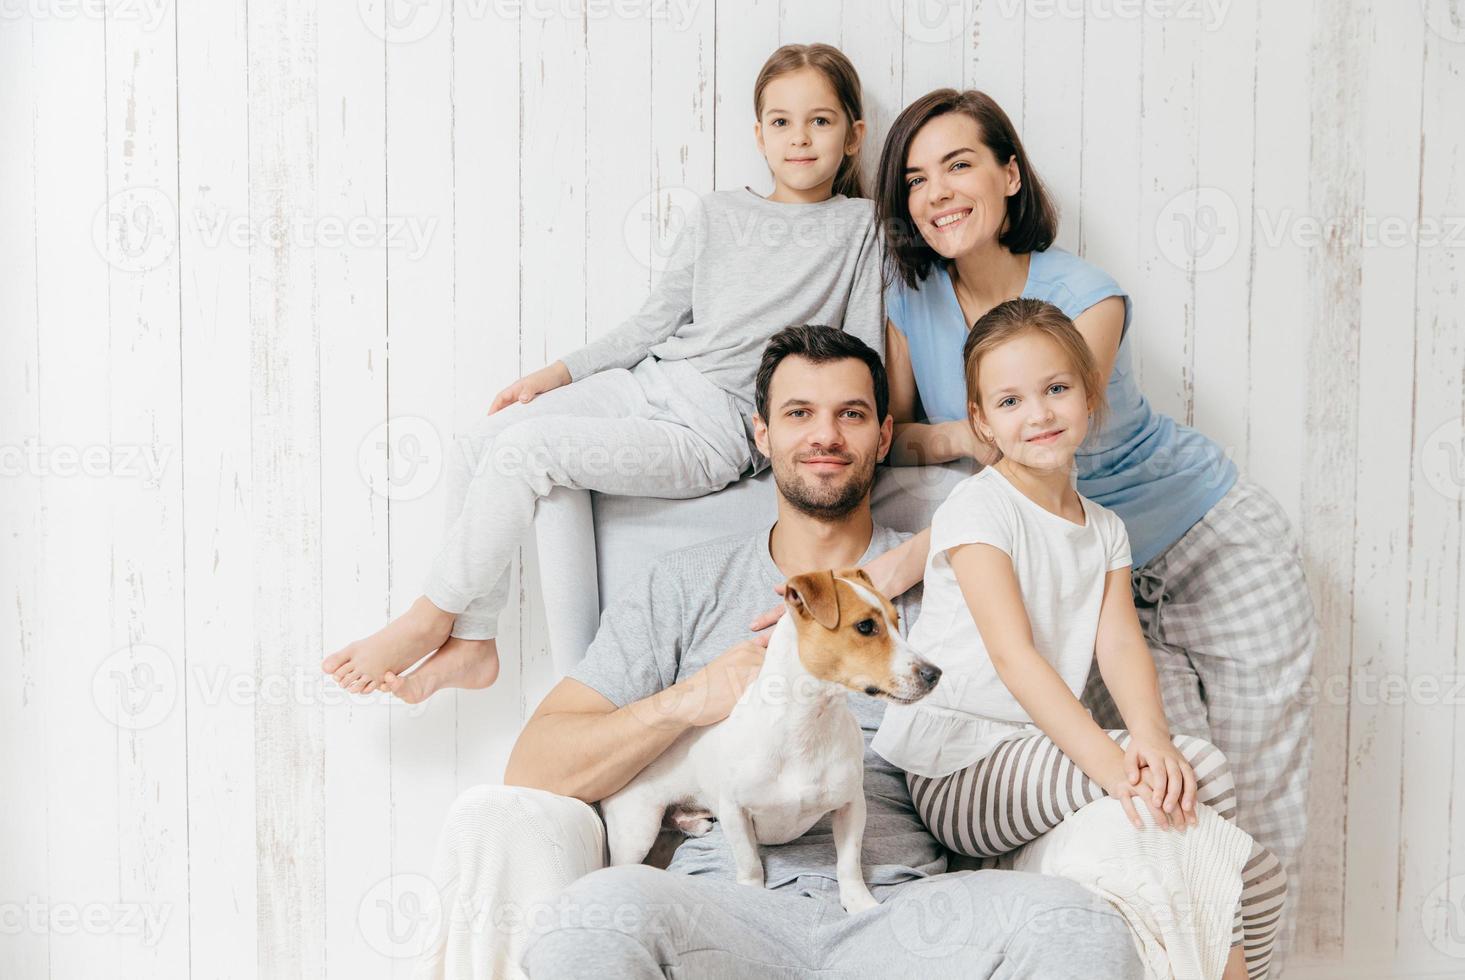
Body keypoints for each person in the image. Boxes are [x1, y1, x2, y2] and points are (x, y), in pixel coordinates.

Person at [413, 326, 1144, 979]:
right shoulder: (686, 584)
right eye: (799, 413)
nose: (824, 434)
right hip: (721, 908)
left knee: (1077, 925)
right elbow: (534, 767)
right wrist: (686, 702)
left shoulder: (956, 575)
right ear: (761, 434)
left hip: (900, 911)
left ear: (884, 437)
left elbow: (1046, 661)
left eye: (851, 415)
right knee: (590, 918)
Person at [861, 87, 1315, 953]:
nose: (938, 192)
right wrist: (954, 436)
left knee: (1251, 786)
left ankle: (1254, 965)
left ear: (1009, 174)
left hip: (1199, 537)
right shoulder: (910, 303)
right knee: (1174, 782)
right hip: (1088, 585)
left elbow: (1033, 449)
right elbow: (902, 438)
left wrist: (943, 477)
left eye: (960, 164)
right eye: (916, 177)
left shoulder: (1086, 297)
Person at [321, 43, 886, 704]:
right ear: (758, 134)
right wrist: (558, 373)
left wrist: (864, 437)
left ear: (854, 135)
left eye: (820, 121)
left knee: (528, 452)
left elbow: (862, 345)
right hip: (648, 382)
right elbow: (652, 323)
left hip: (712, 429)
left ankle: (428, 615)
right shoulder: (716, 213)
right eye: (782, 122)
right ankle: (474, 640)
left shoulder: (859, 225)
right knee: (483, 439)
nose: (800, 138)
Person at [870, 298, 1285, 979]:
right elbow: (1013, 656)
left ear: (1089, 397)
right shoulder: (977, 508)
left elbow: (1121, 646)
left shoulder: (1105, 528)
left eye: (1056, 389)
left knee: (1252, 872)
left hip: (1037, 761)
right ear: (981, 421)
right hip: (962, 768)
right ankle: (999, 864)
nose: (1037, 415)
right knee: (1199, 774)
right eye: (1009, 401)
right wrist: (1115, 766)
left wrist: (1150, 738)